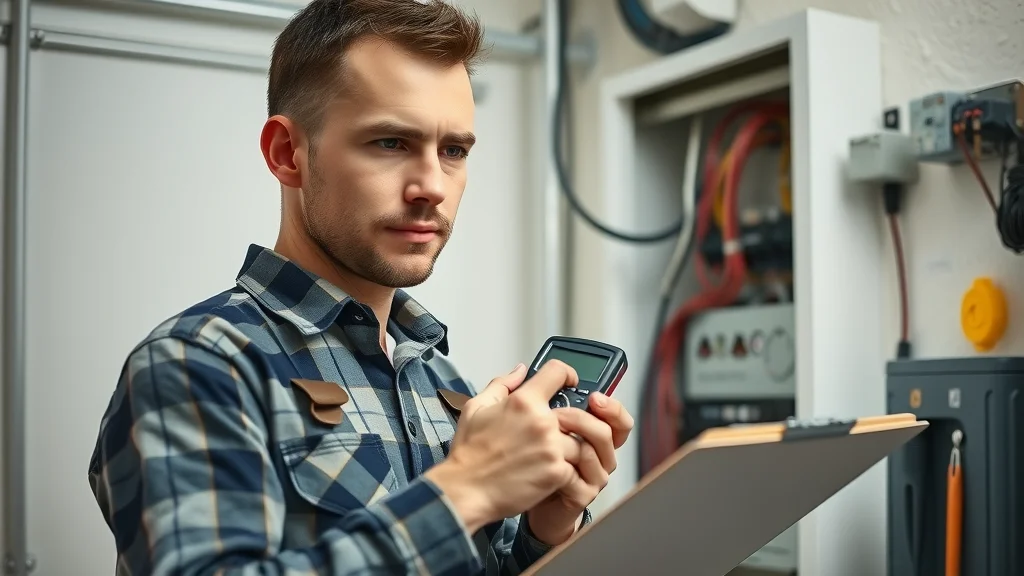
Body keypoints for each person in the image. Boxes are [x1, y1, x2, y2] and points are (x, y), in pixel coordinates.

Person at [87, 0, 634, 574]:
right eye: (390, 143)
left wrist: (547, 532)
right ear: (286, 153)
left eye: (453, 150)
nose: (431, 186)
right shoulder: (196, 365)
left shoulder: (443, 382)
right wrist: (465, 491)